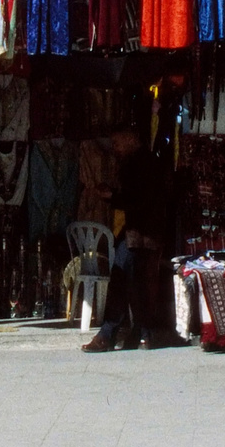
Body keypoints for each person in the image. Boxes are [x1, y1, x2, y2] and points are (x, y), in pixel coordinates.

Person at [84, 126, 174, 352]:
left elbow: (138, 199)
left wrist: (112, 196)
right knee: (137, 284)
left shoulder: (140, 163)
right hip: (144, 233)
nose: (114, 149)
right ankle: (143, 334)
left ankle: (109, 334)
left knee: (121, 280)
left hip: (140, 234)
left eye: (117, 143)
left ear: (131, 140)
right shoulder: (146, 162)